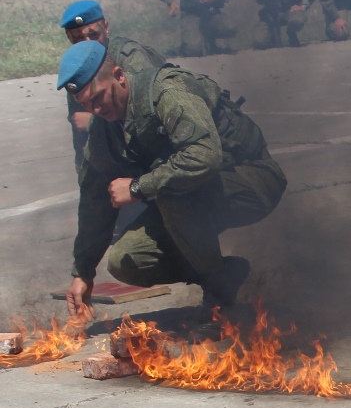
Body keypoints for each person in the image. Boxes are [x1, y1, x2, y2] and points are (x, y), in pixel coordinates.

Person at [57, 40, 287, 320]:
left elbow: (204, 156)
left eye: (98, 98)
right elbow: (94, 199)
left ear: (119, 76)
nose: (95, 110)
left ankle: (219, 304)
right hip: (189, 194)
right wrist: (83, 271)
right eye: (85, 104)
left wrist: (138, 187)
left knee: (171, 193)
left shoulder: (167, 91)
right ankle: (221, 274)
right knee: (126, 261)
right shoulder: (104, 130)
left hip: (250, 179)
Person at [59, 0, 166, 173]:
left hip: (147, 159)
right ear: (69, 38)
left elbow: (146, 112)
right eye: (78, 38)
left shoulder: (130, 57)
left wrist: (92, 122)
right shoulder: (77, 66)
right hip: (108, 156)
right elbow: (80, 135)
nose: (88, 43)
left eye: (94, 34)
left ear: (106, 27)